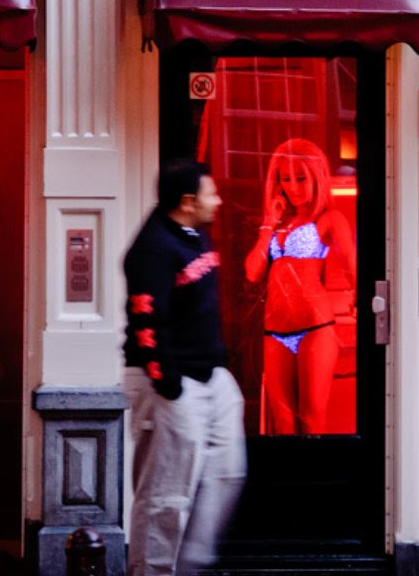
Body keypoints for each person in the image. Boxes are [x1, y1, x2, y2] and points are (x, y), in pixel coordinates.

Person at [123, 158, 247, 576]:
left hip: (209, 376)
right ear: (189, 201)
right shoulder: (153, 248)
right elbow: (146, 320)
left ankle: (192, 564)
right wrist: (168, 385)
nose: (220, 200)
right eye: (212, 193)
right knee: (165, 494)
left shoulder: (193, 235)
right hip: (169, 381)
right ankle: (153, 572)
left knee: (227, 470)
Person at [243, 138, 356, 435]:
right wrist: (268, 223)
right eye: (286, 178)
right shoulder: (278, 225)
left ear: (317, 177)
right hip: (274, 332)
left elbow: (353, 267)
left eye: (301, 178)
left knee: (312, 418)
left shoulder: (330, 219)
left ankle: (316, 478)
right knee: (282, 423)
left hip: (315, 328)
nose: (293, 187)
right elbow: (253, 272)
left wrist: (361, 309)